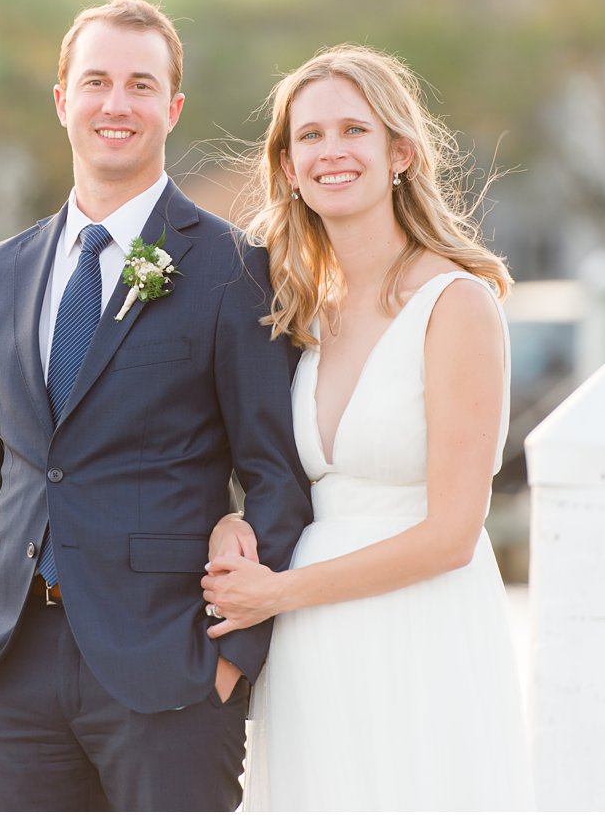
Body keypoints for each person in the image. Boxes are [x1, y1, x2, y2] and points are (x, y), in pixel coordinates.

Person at [0, 0, 313, 812]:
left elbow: (277, 475)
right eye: (97, 81)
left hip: (168, 670)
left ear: (171, 108)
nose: (117, 103)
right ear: (62, 98)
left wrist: (231, 655)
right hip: (7, 664)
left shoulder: (229, 269)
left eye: (142, 84)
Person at [201, 44, 535, 810]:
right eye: (309, 137)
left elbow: (453, 533)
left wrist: (278, 593)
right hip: (313, 651)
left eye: (354, 129)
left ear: (400, 153)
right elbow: (269, 472)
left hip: (420, 634)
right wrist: (230, 521)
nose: (331, 152)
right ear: (287, 169)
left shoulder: (456, 305)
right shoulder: (301, 311)